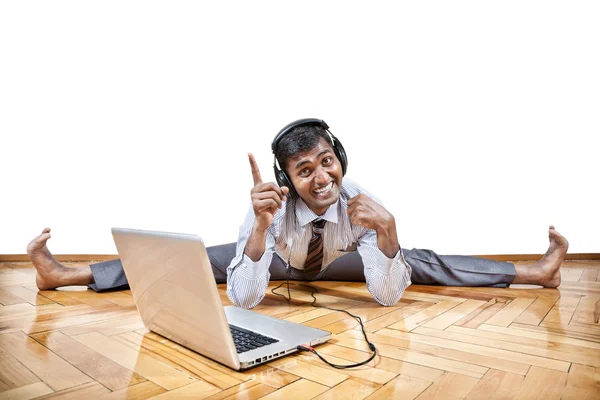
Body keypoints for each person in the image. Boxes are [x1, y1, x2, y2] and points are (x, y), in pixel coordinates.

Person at [27, 119, 569, 309]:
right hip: (279, 261)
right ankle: (66, 274)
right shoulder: (269, 205)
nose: (323, 178)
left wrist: (390, 236)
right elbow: (245, 295)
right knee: (190, 257)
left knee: (417, 259)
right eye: (305, 170)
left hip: (338, 261)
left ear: (340, 160)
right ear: (287, 178)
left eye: (327, 162)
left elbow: (385, 295)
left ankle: (536, 272)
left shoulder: (357, 197)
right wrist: (260, 233)